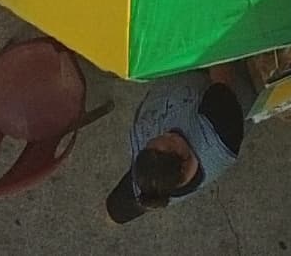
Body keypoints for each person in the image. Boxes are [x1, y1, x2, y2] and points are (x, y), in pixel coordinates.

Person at [102, 62, 255, 226]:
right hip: (217, 79)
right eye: (173, 141)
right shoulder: (218, 134)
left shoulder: (150, 182)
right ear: (184, 165)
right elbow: (222, 70)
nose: (167, 133)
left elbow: (117, 211)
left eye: (152, 141)